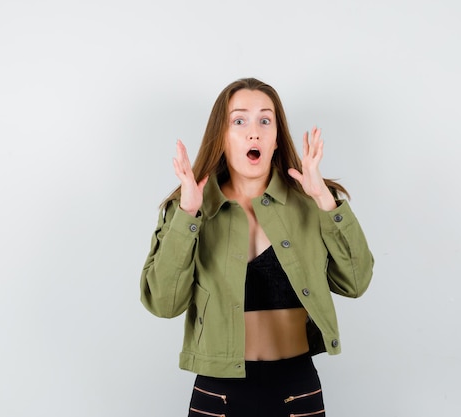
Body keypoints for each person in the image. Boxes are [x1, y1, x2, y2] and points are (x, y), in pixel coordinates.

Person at [140, 77, 374, 417]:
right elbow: (163, 303)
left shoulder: (313, 202)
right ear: (221, 136)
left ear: (277, 137)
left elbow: (356, 282)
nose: (254, 132)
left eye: (265, 120)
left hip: (297, 391)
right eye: (239, 120)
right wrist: (188, 214)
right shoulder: (189, 208)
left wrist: (324, 199)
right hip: (218, 396)